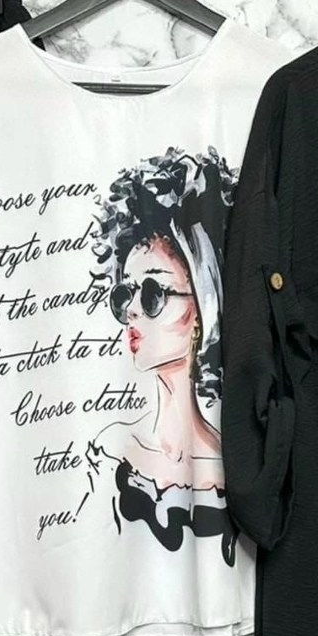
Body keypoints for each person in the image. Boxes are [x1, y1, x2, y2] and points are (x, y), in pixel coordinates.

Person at [87, 146, 239, 564]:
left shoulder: (236, 463)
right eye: (125, 293)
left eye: (154, 292)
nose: (132, 311)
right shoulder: (109, 451)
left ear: (205, 305)